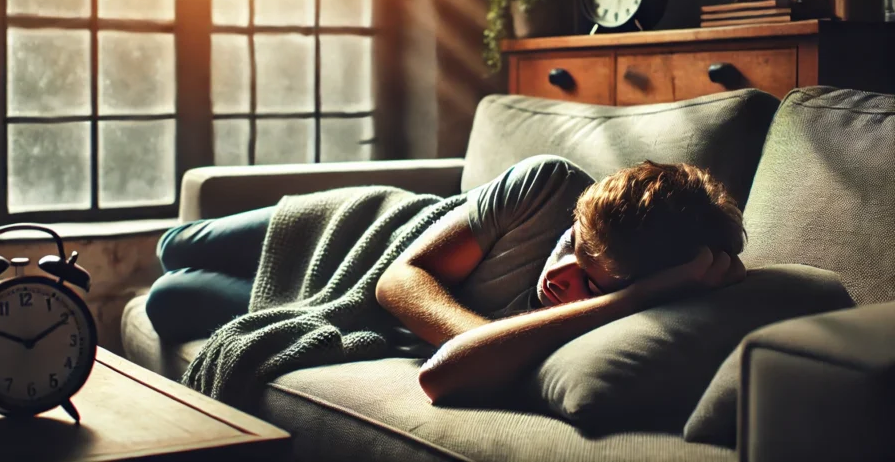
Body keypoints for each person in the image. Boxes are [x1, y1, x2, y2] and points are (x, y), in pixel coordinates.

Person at [146, 155, 746, 403]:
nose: (561, 277)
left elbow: (443, 377)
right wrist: (482, 333)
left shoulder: (610, 323)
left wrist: (638, 298)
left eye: (593, 282)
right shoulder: (548, 184)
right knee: (176, 245)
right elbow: (397, 280)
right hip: (364, 229)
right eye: (571, 244)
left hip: (348, 304)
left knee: (169, 300)